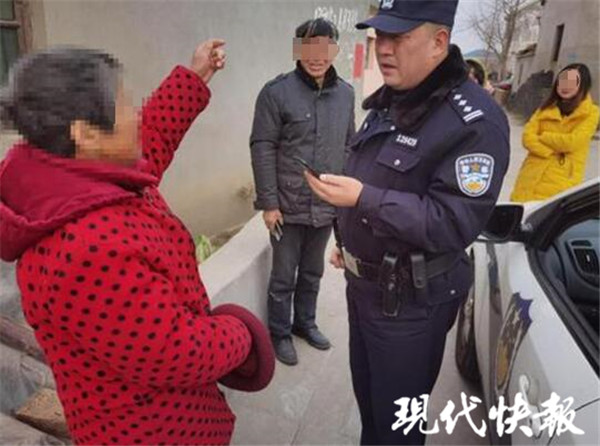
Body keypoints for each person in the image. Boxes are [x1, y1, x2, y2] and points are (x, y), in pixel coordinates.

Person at [0, 42, 274, 445]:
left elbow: (150, 141)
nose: (135, 115)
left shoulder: (71, 175)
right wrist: (243, 331)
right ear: (85, 133)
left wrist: (193, 79)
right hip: (152, 432)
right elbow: (176, 353)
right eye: (125, 105)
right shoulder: (88, 250)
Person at [305, 1, 509, 444]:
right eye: (381, 36)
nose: (384, 48)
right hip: (365, 288)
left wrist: (364, 199)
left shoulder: (473, 121)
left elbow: (452, 221)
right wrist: (349, 238)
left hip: (411, 305)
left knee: (397, 428)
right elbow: (376, 174)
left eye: (399, 37)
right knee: (371, 412)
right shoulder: (393, 100)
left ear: (439, 42)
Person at [250, 18, 355, 365]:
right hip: (287, 204)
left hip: (324, 204)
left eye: (324, 48)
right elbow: (262, 147)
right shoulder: (276, 93)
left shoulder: (346, 95)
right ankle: (279, 333)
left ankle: (305, 323)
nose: (316, 56)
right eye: (309, 48)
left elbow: (349, 146)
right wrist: (269, 204)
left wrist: (345, 200)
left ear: (334, 50)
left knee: (312, 272)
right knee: (283, 276)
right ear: (297, 50)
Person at [511, 63, 599, 202]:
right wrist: (550, 151)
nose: (566, 86)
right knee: (521, 211)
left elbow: (572, 142)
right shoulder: (545, 108)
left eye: (572, 82)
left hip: (561, 180)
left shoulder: (591, 113)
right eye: (563, 81)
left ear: (583, 86)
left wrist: (543, 136)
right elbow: (527, 137)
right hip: (530, 176)